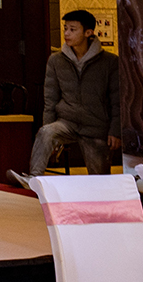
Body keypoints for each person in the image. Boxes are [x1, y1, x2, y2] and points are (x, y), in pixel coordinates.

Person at [16, 10, 122, 180]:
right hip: (67, 122)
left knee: (100, 181)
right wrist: (49, 136)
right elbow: (50, 99)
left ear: (88, 33)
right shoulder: (56, 60)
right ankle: (34, 179)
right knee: (46, 132)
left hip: (96, 126)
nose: (66, 33)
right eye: (65, 28)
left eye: (72, 29)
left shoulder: (109, 62)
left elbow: (117, 100)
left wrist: (115, 131)